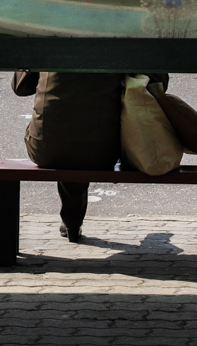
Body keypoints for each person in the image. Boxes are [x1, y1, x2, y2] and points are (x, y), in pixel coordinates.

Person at [12, 70, 168, 242]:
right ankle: (71, 220)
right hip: (103, 150)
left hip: (46, 146)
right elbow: (158, 83)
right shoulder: (125, 42)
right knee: (86, 132)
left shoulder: (47, 42)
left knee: (63, 129)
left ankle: (71, 220)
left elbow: (21, 88)